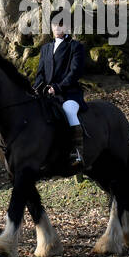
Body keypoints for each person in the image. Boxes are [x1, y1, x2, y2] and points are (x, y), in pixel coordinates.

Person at [33, 17, 88, 168]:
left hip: (69, 93)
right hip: (47, 94)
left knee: (69, 111)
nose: (57, 28)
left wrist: (57, 87)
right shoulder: (45, 48)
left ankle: (77, 152)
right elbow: (40, 73)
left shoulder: (75, 46)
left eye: (61, 25)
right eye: (54, 25)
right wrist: (36, 89)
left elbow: (75, 72)